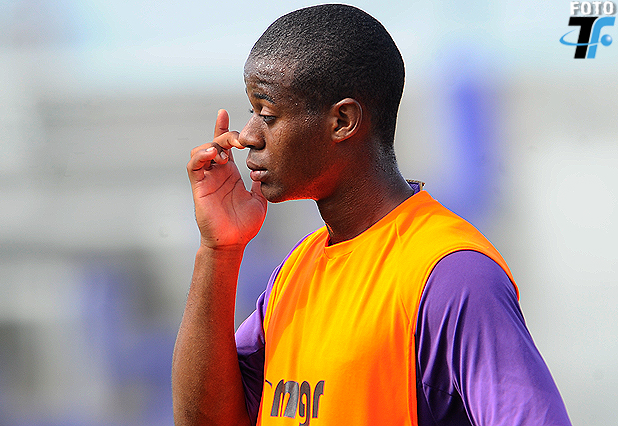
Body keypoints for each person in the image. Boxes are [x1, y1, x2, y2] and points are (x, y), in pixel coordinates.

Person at [172, 4, 572, 426]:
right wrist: (219, 249)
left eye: (267, 114)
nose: (248, 135)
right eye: (252, 113)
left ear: (343, 120)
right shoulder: (294, 272)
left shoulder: (451, 274)